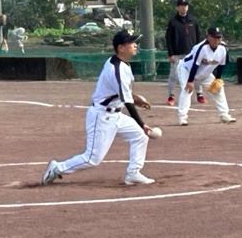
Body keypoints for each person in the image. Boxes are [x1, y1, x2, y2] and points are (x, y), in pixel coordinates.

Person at [42, 30, 156, 186]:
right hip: (102, 116)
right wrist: (142, 124)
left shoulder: (121, 63)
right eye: (131, 43)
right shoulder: (116, 69)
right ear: (121, 48)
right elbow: (127, 101)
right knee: (92, 158)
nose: (135, 45)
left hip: (116, 114)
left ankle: (133, 173)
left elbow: (121, 93)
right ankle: (57, 168)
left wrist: (136, 100)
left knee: (140, 137)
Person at [176, 27, 236, 126]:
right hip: (187, 70)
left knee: (219, 89)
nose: (216, 40)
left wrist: (218, 80)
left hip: (205, 73)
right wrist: (190, 81)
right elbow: (195, 65)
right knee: (187, 90)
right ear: (208, 37)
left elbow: (221, 65)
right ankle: (182, 118)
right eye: (214, 37)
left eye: (219, 37)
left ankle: (224, 115)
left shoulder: (223, 49)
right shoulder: (201, 48)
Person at [165, 0, 205, 106]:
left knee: (196, 73)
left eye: (185, 5)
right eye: (181, 5)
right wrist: (171, 54)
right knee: (174, 75)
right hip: (177, 54)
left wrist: (199, 52)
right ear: (177, 7)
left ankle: (199, 94)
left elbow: (198, 37)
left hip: (192, 53)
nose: (184, 7)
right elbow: (168, 39)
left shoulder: (193, 21)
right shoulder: (173, 22)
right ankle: (171, 96)